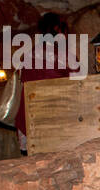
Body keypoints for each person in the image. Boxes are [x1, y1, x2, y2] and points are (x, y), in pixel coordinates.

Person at [14, 12, 70, 152]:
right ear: (57, 29)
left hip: (29, 117)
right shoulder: (62, 57)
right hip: (52, 119)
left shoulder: (30, 54)